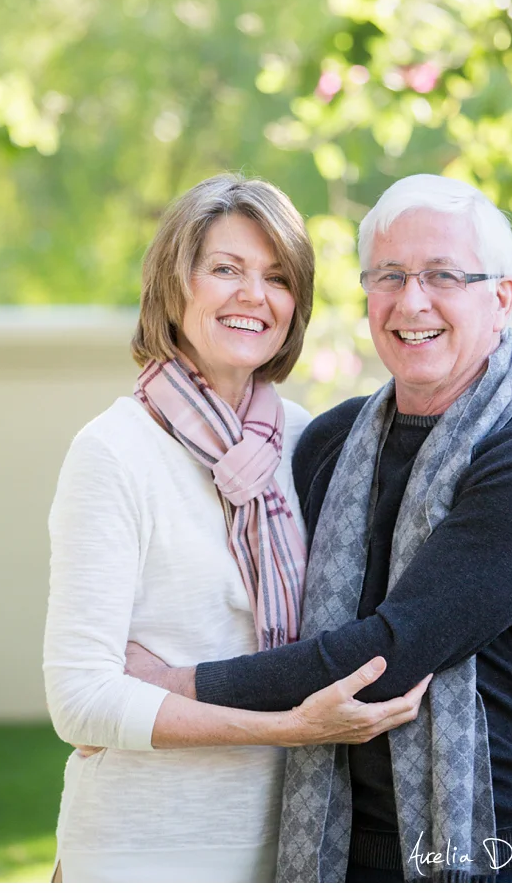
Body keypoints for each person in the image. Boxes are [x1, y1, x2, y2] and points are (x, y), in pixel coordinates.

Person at [128, 174, 512, 883]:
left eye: (444, 275)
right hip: (351, 850)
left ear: (501, 299)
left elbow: (393, 650)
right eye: (389, 275)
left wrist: (170, 688)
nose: (411, 300)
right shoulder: (328, 443)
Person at [43, 175, 431, 883]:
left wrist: (172, 686)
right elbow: (81, 700)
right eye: (226, 269)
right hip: (146, 849)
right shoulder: (115, 451)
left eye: (278, 277)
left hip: (297, 842)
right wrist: (287, 728)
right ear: (174, 284)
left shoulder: (311, 444)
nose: (255, 295)